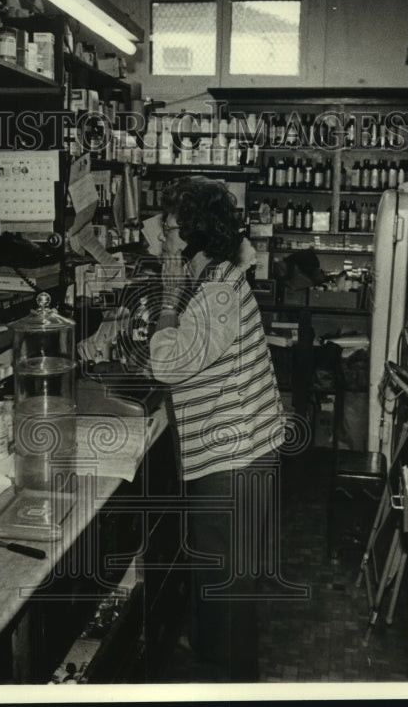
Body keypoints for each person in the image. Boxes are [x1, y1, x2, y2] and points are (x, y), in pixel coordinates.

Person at [149, 177, 285, 682]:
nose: (160, 240)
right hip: (241, 452)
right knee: (217, 570)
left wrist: (166, 297)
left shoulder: (217, 292)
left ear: (188, 235)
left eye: (166, 231)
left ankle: (232, 678)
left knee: (228, 583)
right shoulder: (220, 279)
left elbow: (167, 363)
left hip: (234, 460)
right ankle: (210, 650)